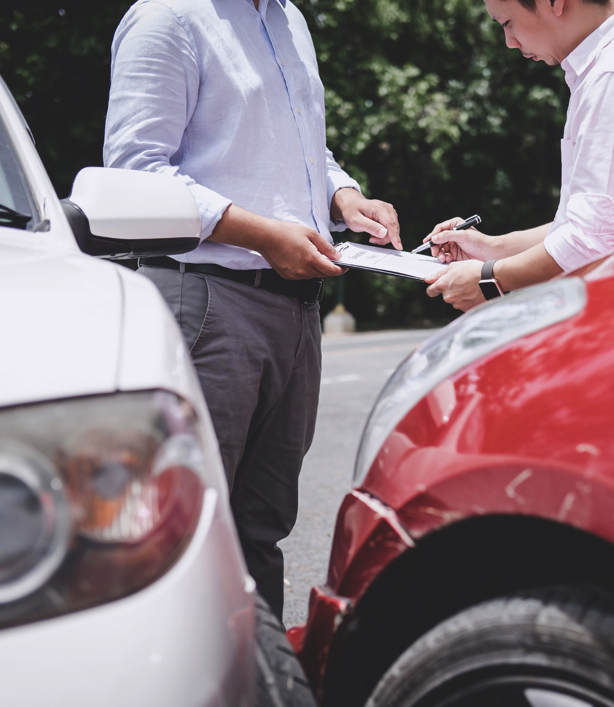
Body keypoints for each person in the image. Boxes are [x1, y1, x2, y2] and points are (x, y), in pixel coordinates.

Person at [103, 0, 401, 619]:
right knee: (185, 533)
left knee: (259, 530)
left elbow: (297, 148)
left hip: (294, 311)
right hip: (207, 302)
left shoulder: (288, 18)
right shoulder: (167, 18)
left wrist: (345, 194)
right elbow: (134, 172)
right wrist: (266, 237)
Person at [425, 0, 614, 311]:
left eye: (507, 23)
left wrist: (489, 279)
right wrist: (494, 247)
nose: (510, 42)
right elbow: (600, 225)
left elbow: (592, 241)